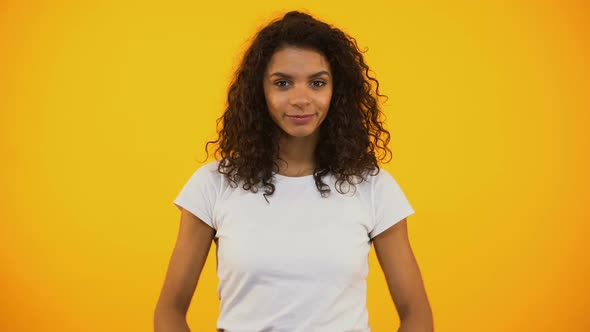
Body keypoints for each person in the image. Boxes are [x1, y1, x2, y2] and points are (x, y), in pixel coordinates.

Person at [154, 10, 433, 332]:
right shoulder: (214, 184)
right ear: (259, 92)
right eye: (283, 83)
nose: (301, 99)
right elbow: (170, 310)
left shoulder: (373, 186)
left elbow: (416, 313)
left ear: (336, 91)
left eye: (317, 83)